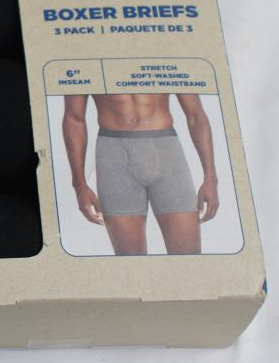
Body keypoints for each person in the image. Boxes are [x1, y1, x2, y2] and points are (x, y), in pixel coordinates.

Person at [62, 94, 219, 255]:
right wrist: (80, 186)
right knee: (131, 263)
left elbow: (195, 115)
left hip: (167, 154)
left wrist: (211, 178)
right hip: (114, 159)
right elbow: (74, 118)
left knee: (188, 260)